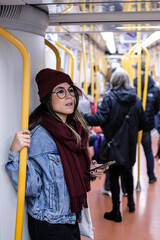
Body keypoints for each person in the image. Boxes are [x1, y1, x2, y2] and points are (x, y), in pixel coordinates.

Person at [5, 69, 106, 240]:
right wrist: (15, 154)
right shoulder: (41, 137)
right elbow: (30, 187)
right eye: (60, 91)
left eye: (71, 90)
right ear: (47, 98)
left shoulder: (74, 131)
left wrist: (90, 172)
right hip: (50, 225)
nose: (69, 96)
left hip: (70, 218)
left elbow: (67, 176)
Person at [82, 67, 147, 222]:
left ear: (113, 81)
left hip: (113, 144)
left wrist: (79, 115)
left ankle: (116, 211)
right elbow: (143, 123)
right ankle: (131, 203)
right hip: (129, 145)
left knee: (114, 175)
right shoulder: (136, 99)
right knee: (128, 173)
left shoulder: (109, 98)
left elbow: (98, 119)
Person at [134, 60, 160, 183]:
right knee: (148, 150)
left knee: (130, 151)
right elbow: (157, 109)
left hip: (134, 125)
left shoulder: (134, 87)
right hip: (147, 125)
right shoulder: (155, 89)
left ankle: (126, 179)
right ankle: (151, 176)